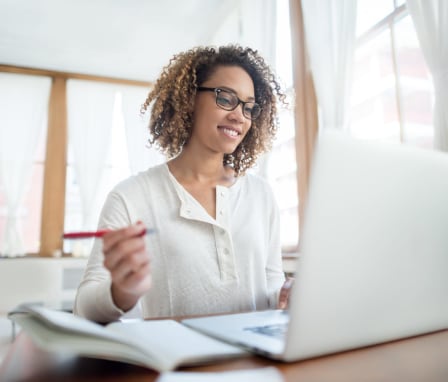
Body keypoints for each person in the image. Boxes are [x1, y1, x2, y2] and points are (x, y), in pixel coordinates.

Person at [74, 45, 293, 323]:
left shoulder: (260, 195)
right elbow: (83, 308)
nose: (239, 116)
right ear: (189, 99)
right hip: (176, 363)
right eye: (225, 98)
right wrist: (121, 291)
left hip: (254, 360)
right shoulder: (131, 197)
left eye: (248, 107)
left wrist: (285, 296)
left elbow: (271, 284)